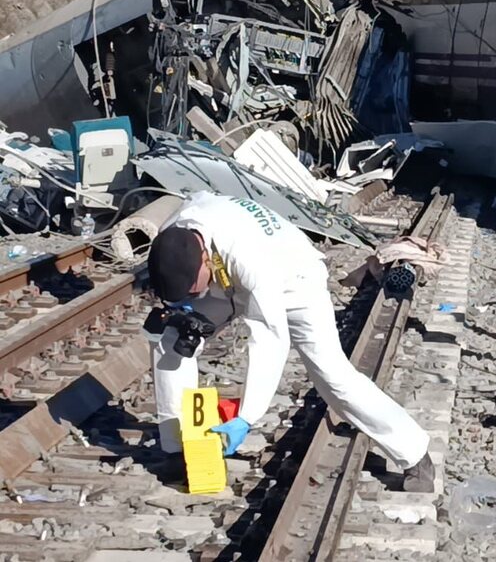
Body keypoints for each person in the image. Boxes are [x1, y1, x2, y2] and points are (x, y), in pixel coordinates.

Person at [146, 192, 434, 492]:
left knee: (333, 376)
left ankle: (414, 454)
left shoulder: (247, 257)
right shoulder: (175, 233)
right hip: (228, 280)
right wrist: (179, 311)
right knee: (171, 337)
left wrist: (247, 416)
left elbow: (270, 339)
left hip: (294, 279)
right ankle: (177, 450)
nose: (194, 296)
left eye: (194, 290)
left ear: (205, 258)